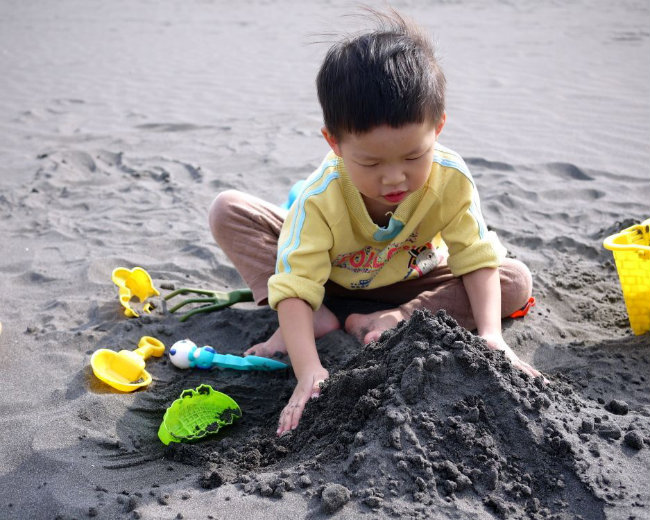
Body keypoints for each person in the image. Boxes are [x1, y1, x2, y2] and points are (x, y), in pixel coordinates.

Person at [209, 9, 541, 436]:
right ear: (334, 142)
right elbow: (294, 285)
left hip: (415, 279)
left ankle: (393, 318)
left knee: (513, 280)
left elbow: (475, 256)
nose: (394, 178)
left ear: (438, 128)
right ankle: (318, 319)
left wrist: (492, 337)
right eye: (369, 161)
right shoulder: (320, 198)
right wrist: (309, 371)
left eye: (412, 157)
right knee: (229, 209)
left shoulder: (450, 177)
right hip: (329, 281)